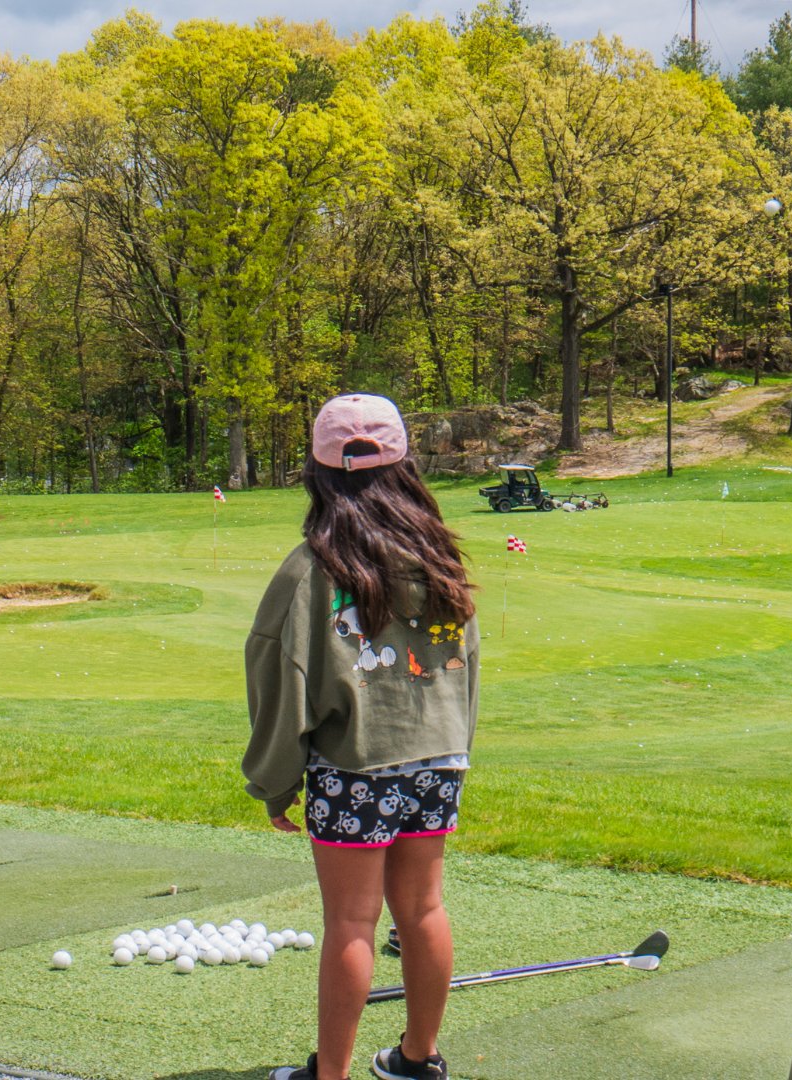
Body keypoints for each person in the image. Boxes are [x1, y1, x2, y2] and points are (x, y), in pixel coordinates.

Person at [243, 394, 479, 1080]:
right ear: (405, 465)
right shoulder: (440, 557)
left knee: (352, 923)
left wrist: (275, 782)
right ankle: (417, 1058)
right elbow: (466, 672)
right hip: (439, 759)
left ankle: (333, 1075)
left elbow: (281, 683)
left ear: (317, 473)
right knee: (423, 908)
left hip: (356, 767)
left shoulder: (311, 568)